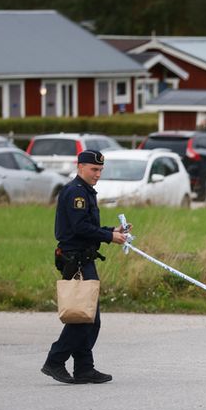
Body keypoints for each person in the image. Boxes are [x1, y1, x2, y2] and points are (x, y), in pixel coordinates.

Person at [41, 149, 130, 385]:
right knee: (84, 316)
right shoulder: (76, 193)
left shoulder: (85, 191)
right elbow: (80, 228)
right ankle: (55, 360)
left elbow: (88, 226)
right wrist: (109, 237)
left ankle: (84, 368)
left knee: (89, 318)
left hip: (84, 258)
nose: (98, 174)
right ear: (80, 167)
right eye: (94, 169)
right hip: (76, 261)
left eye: (100, 170)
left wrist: (113, 231)